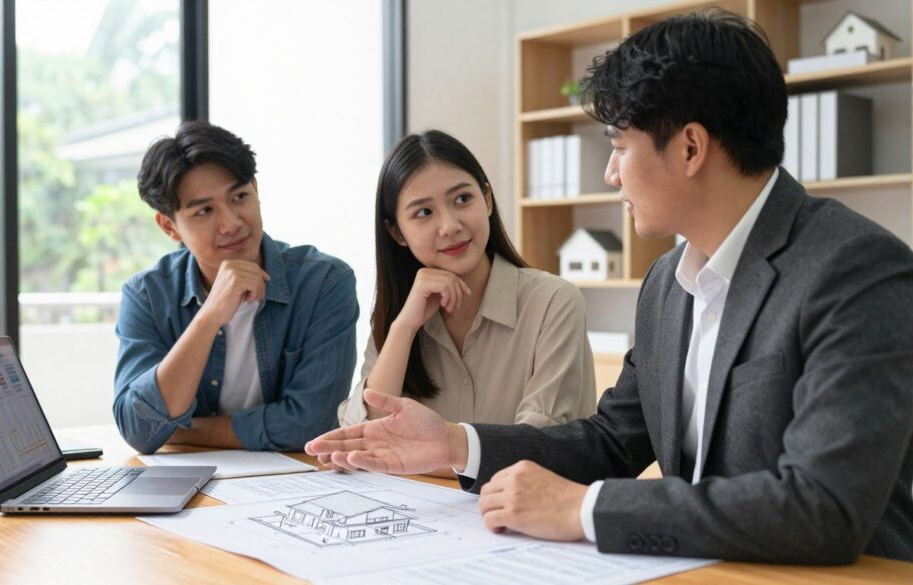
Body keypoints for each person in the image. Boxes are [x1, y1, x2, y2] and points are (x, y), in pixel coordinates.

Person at [307, 9, 913, 563]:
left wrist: (583, 509)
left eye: (620, 145)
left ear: (690, 147)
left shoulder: (854, 269)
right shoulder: (667, 286)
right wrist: (453, 444)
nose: (610, 172)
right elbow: (611, 442)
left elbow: (824, 507)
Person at [114, 121, 359, 454]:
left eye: (240, 196)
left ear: (256, 190)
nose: (231, 223)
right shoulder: (146, 295)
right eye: (204, 210)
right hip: (189, 487)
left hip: (295, 486)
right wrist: (209, 316)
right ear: (169, 226)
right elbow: (139, 429)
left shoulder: (324, 282)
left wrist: (183, 430)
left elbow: (311, 425)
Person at [337, 130, 596, 436]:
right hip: (418, 486)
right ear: (397, 233)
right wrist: (404, 327)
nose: (449, 226)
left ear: (486, 200)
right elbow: (364, 434)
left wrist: (437, 454)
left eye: (462, 199)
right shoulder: (400, 315)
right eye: (424, 212)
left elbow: (538, 442)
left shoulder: (553, 302)